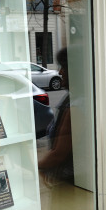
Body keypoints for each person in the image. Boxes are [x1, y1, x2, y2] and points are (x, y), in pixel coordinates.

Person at [38, 47, 74, 184]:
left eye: (63, 67)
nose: (60, 72)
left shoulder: (75, 105)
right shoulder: (71, 99)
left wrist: (36, 167)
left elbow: (59, 153)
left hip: (67, 183)